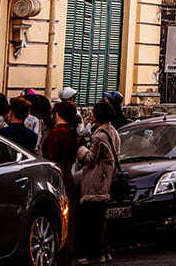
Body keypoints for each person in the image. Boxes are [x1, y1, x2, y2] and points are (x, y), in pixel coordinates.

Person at [76, 101, 120, 265]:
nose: (91, 115)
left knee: (92, 221)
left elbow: (90, 158)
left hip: (96, 182)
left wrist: (81, 149)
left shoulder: (99, 136)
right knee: (100, 221)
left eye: (94, 112)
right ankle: (104, 251)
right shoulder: (113, 132)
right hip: (107, 179)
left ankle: (94, 254)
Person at [43, 101, 80, 266]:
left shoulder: (57, 133)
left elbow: (49, 156)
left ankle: (57, 253)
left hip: (56, 178)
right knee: (68, 219)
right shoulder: (71, 133)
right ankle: (66, 252)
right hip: (68, 176)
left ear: (57, 114)